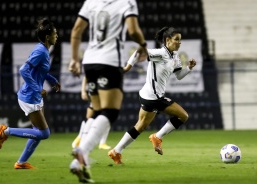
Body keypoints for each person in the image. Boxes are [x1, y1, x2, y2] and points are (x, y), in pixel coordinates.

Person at [68, 0, 147, 182]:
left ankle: (82, 163)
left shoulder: (91, 2)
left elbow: (76, 30)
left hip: (89, 61)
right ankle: (82, 151)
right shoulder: (127, 2)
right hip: (109, 62)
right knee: (110, 112)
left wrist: (74, 59)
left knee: (96, 110)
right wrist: (143, 45)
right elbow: (133, 30)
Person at [108, 26, 197, 164]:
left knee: (140, 126)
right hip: (153, 97)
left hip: (150, 96)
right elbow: (139, 51)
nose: (179, 43)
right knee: (183, 116)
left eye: (180, 40)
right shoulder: (160, 53)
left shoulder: (174, 56)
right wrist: (127, 68)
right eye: (176, 40)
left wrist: (189, 68)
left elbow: (179, 76)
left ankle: (116, 151)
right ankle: (157, 137)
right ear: (168, 40)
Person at [0, 18, 60, 169]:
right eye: (55, 33)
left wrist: (52, 80)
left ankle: (21, 163)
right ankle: (6, 131)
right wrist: (37, 88)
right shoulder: (40, 51)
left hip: (34, 96)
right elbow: (23, 70)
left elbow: (40, 71)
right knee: (44, 133)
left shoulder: (43, 50)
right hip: (30, 96)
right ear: (47, 37)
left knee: (37, 132)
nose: (57, 35)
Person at [71, 76, 111, 150]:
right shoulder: (95, 67)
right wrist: (83, 91)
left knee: (107, 116)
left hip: (105, 91)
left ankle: (102, 143)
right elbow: (86, 77)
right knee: (90, 116)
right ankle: (80, 138)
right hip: (95, 92)